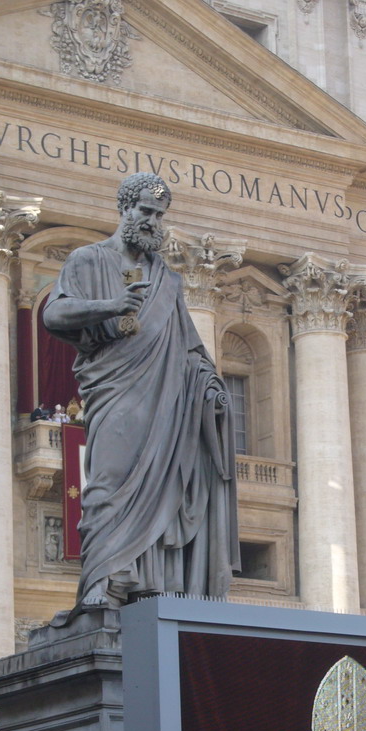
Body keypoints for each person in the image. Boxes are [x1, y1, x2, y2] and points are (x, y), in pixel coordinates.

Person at [42, 172, 239, 618]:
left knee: (165, 483)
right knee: (108, 483)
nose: (153, 221)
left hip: (166, 398)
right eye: (145, 211)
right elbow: (55, 314)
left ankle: (146, 582)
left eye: (159, 215)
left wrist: (211, 389)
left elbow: (189, 346)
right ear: (124, 209)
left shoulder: (166, 280)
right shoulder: (87, 260)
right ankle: (100, 582)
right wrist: (111, 306)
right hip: (116, 390)